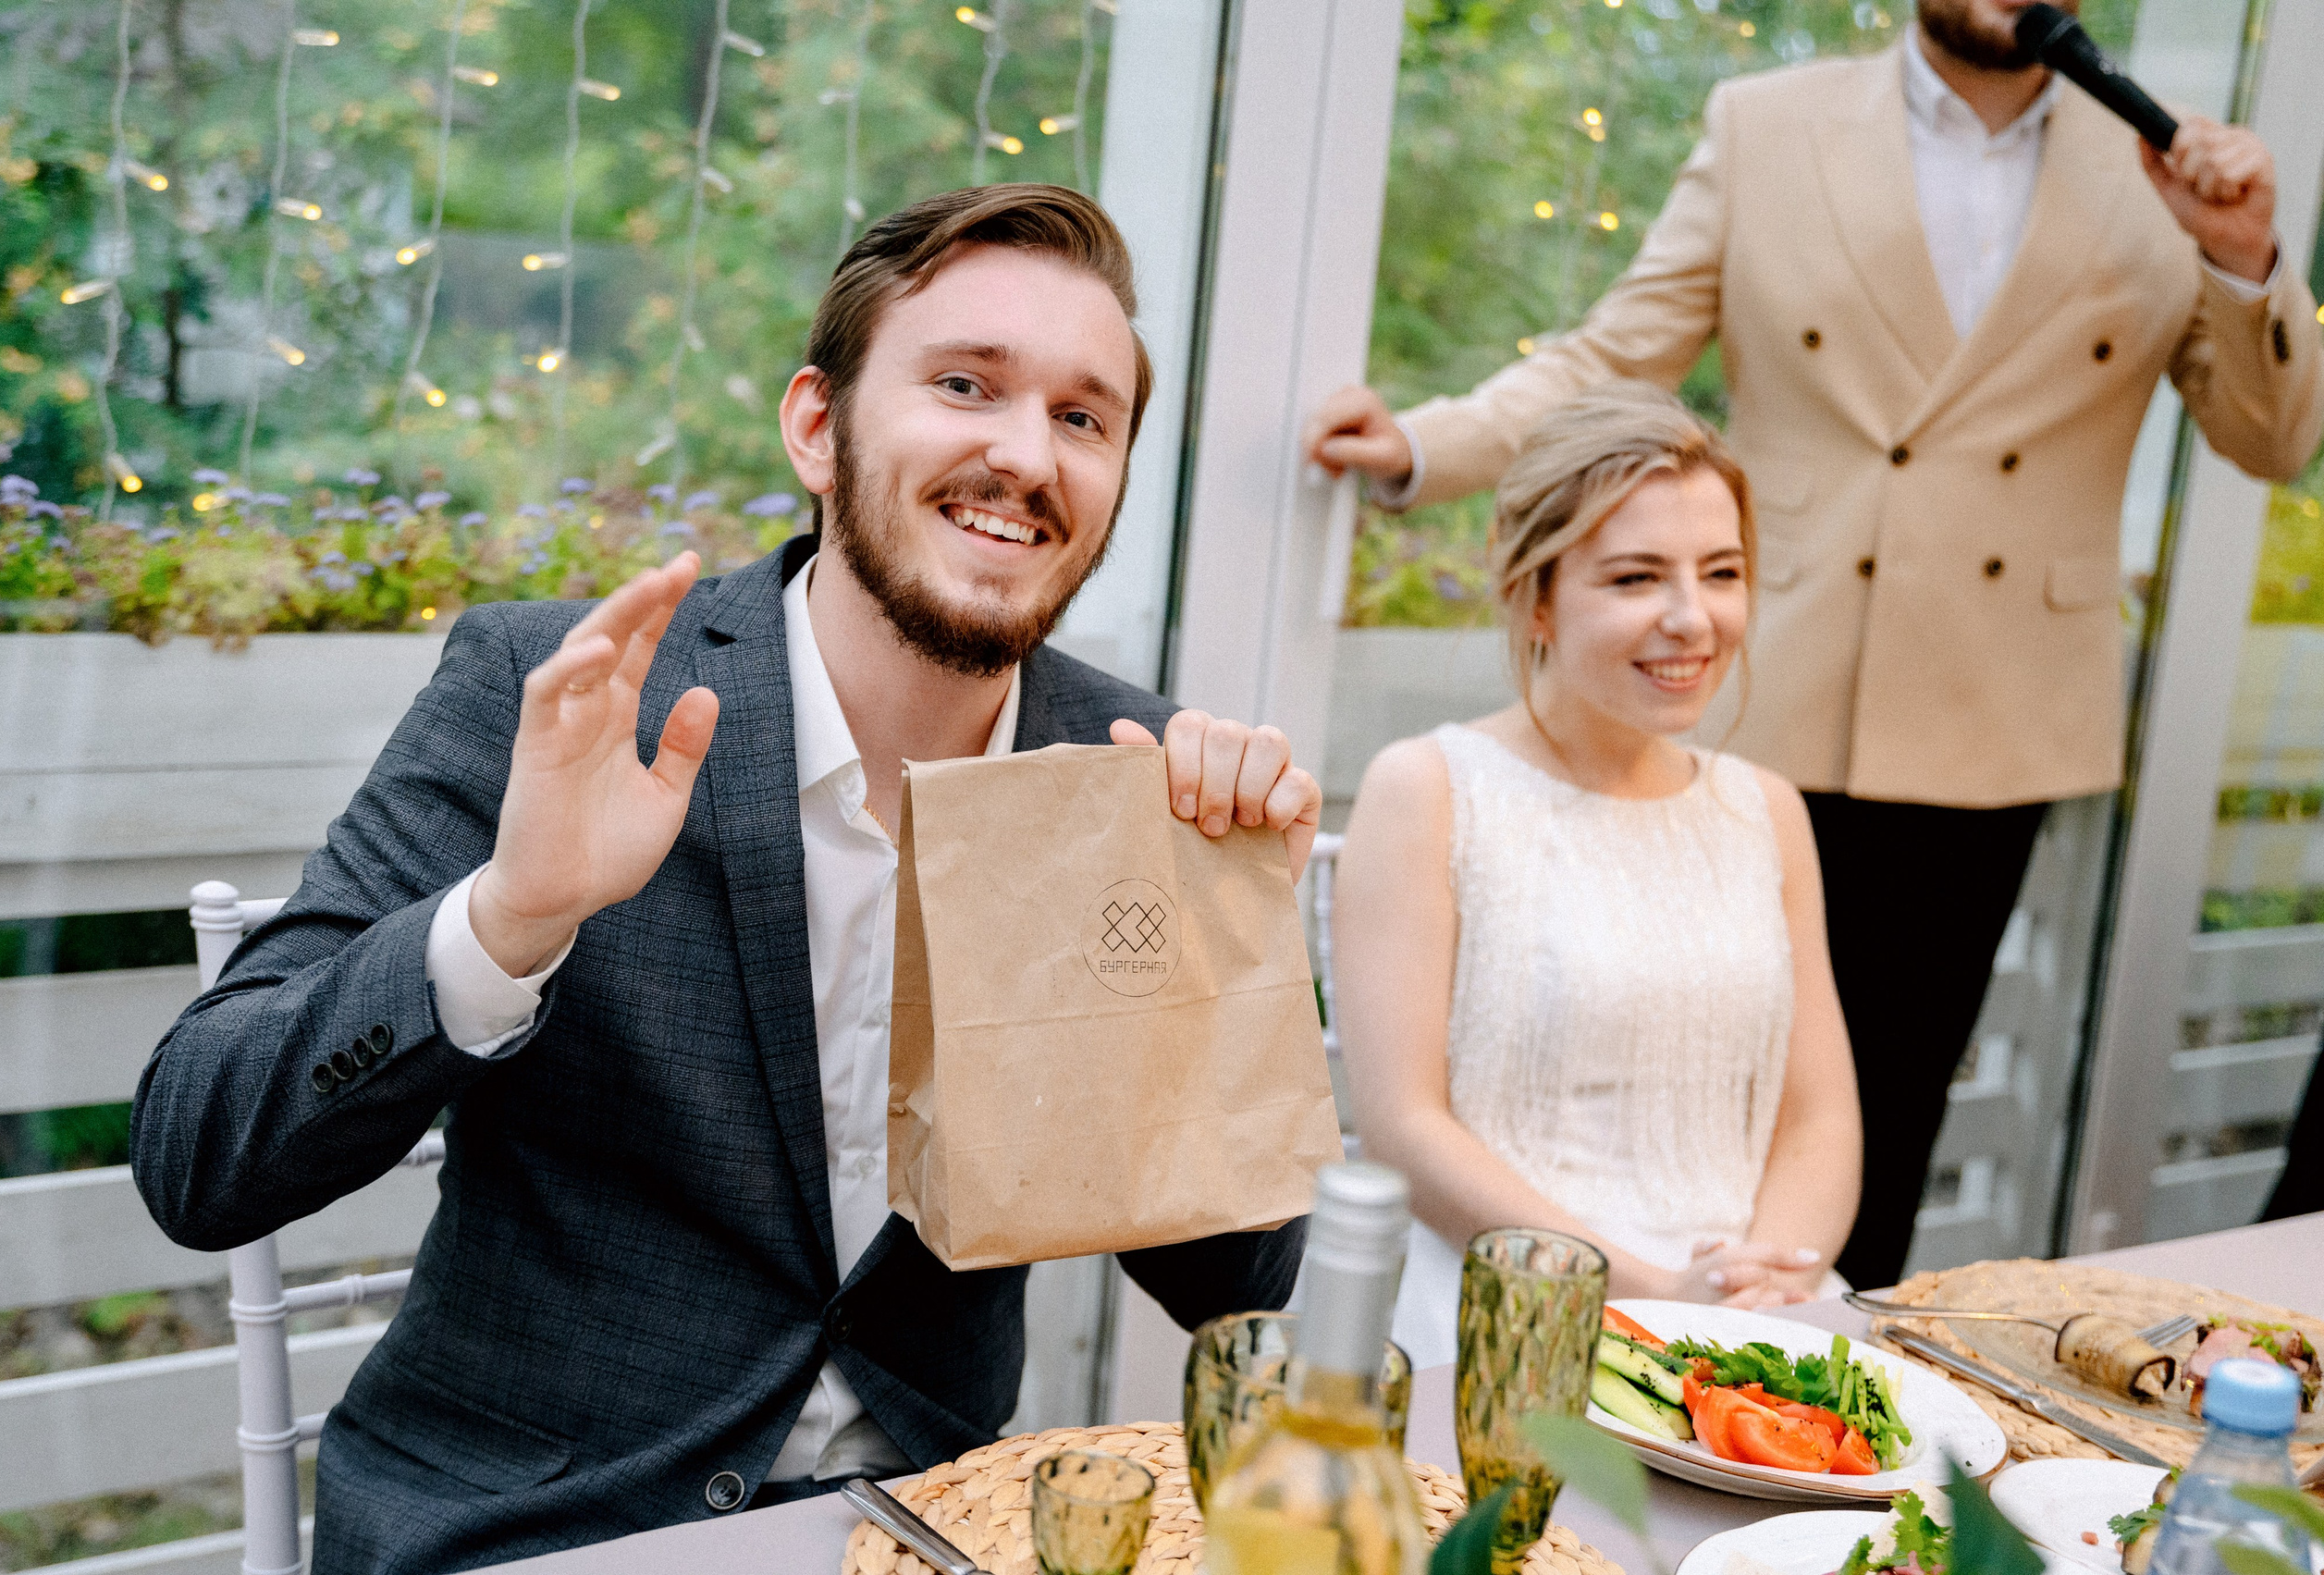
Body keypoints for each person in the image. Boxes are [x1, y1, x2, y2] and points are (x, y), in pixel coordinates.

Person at [130, 184, 1323, 1575]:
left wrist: (1219, 976)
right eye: (965, 385)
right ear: (819, 426)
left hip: (928, 1527)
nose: (1026, 453)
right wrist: (510, 916)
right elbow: (195, 1155)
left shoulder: (1124, 765)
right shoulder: (563, 699)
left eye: (1082, 417)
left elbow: (1235, 1289)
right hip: (534, 1531)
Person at [1306, 0, 2323, 1287]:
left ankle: (1811, 1426)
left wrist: (2242, 260)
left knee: (1876, 1125)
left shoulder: (2161, 168)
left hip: (1989, 713)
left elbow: (2273, 439)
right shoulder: (1765, 124)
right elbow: (1621, 353)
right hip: (1768, 680)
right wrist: (1422, 446)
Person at [1334, 383, 1863, 1368]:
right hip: (1506, 1313)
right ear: (1534, 594)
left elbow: (1820, 1112)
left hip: (1750, 1322)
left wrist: (1767, 1280)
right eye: (1634, 578)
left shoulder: (1767, 811)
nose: (1691, 618)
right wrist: (1654, 1296)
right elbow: (1403, 1125)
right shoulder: (1428, 790)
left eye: (1720, 572)